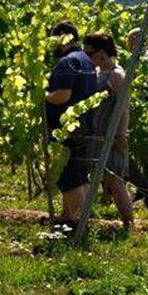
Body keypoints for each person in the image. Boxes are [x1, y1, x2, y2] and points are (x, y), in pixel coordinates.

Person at [44, 20, 99, 227]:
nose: (52, 45)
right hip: (84, 124)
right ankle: (69, 216)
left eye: (53, 39)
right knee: (78, 172)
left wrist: (43, 95)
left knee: (69, 176)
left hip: (67, 128)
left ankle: (79, 225)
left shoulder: (66, 62)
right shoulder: (86, 59)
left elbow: (62, 95)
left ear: (62, 37)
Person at [83, 31, 135, 231]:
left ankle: (128, 225)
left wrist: (121, 134)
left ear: (103, 53)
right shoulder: (97, 72)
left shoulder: (117, 75)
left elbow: (124, 107)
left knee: (114, 180)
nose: (87, 57)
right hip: (95, 134)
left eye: (89, 53)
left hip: (110, 136)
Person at [124, 27, 148, 209]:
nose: (129, 45)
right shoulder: (141, 58)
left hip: (147, 112)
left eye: (131, 41)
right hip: (142, 111)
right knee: (143, 155)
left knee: (147, 156)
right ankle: (146, 190)